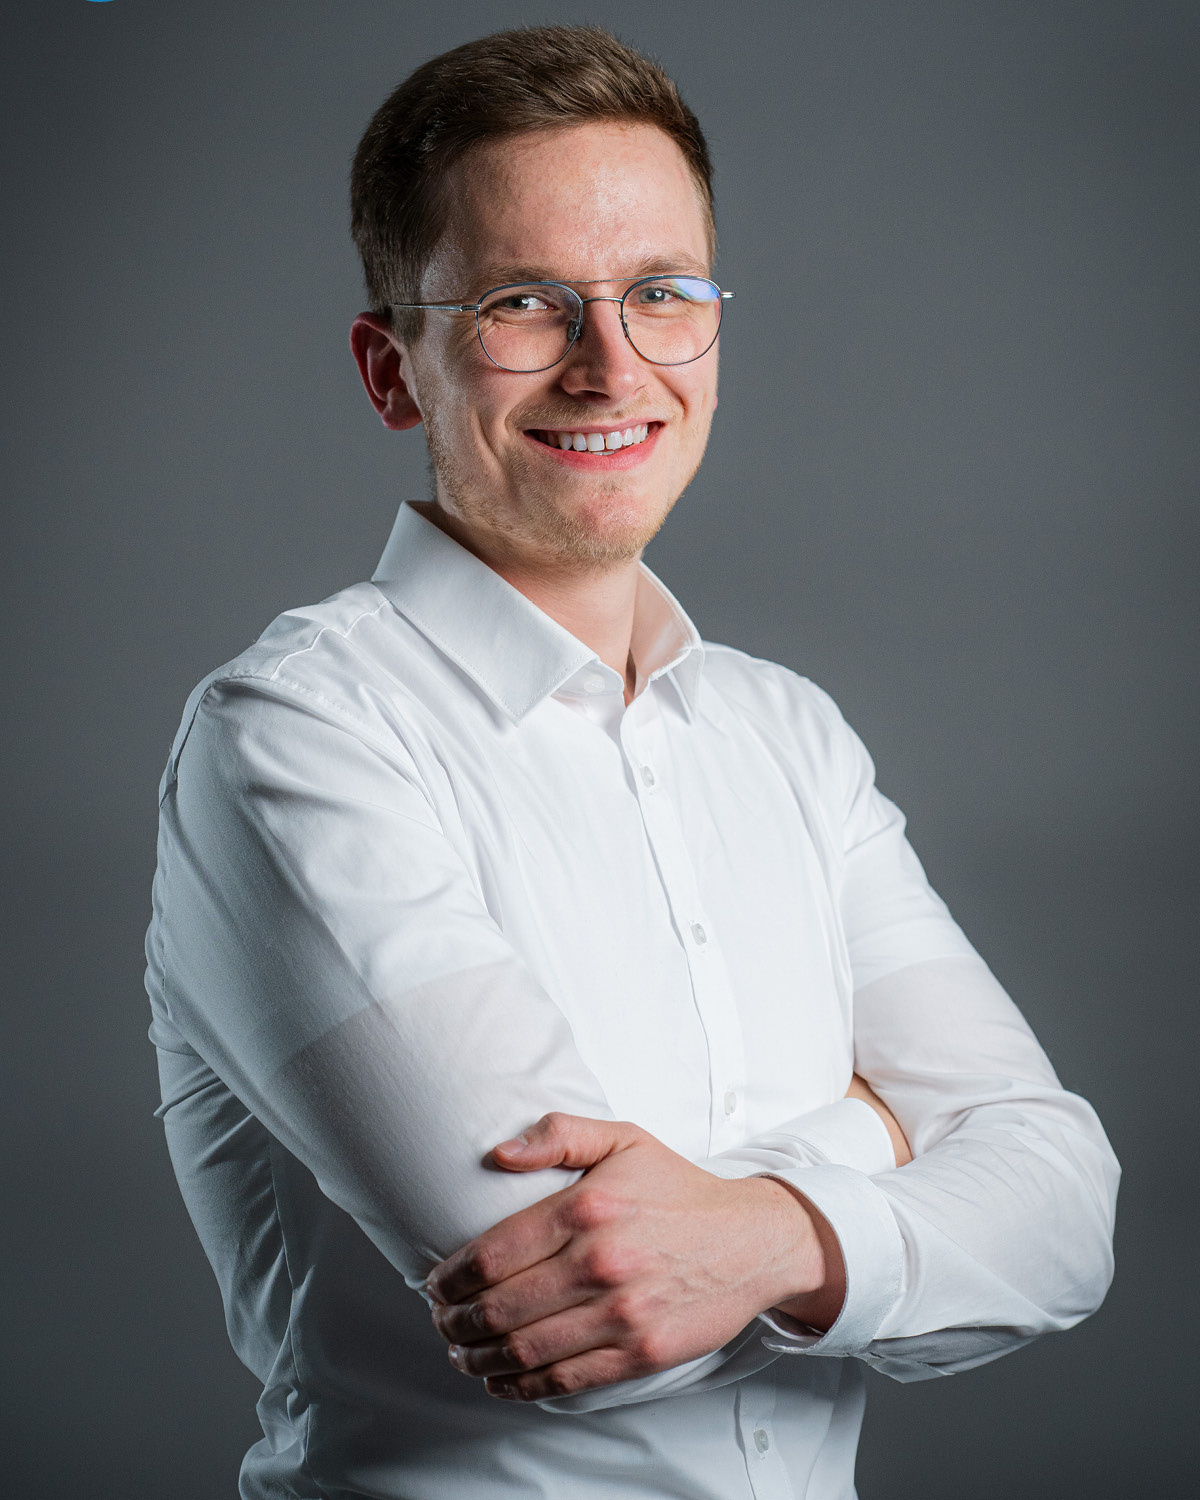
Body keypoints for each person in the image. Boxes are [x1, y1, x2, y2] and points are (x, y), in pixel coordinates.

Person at [145, 24, 1119, 1500]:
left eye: (662, 293)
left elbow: (1067, 1222)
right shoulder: (294, 736)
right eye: (524, 305)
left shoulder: (789, 737)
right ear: (393, 370)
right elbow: (577, 1304)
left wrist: (756, 1237)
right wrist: (884, 1137)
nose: (612, 368)